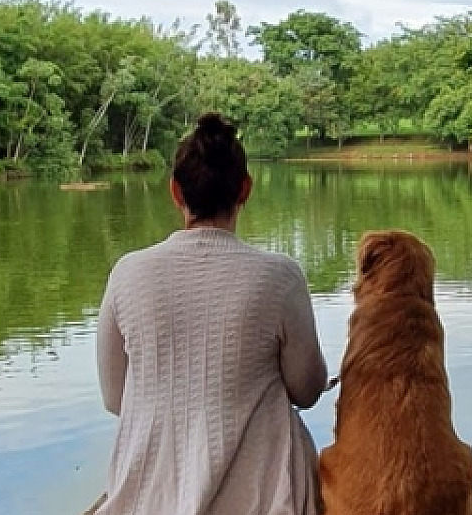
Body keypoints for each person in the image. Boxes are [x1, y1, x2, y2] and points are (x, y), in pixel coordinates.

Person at [94, 113, 329, 515]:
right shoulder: (279, 277)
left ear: (175, 191)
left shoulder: (128, 273)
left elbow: (117, 399)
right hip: (266, 501)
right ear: (246, 189)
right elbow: (307, 391)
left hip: (150, 501)